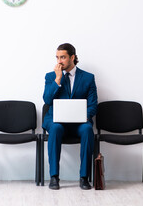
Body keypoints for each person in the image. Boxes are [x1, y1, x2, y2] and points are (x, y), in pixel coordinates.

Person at [42, 43, 98, 190]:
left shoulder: (88, 78)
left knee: (87, 130)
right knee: (55, 129)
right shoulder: (51, 76)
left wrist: (82, 117)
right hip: (56, 121)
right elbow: (47, 100)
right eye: (57, 57)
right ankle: (54, 177)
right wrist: (58, 79)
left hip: (79, 123)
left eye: (63, 57)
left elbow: (93, 105)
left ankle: (84, 177)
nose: (59, 61)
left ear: (72, 57)